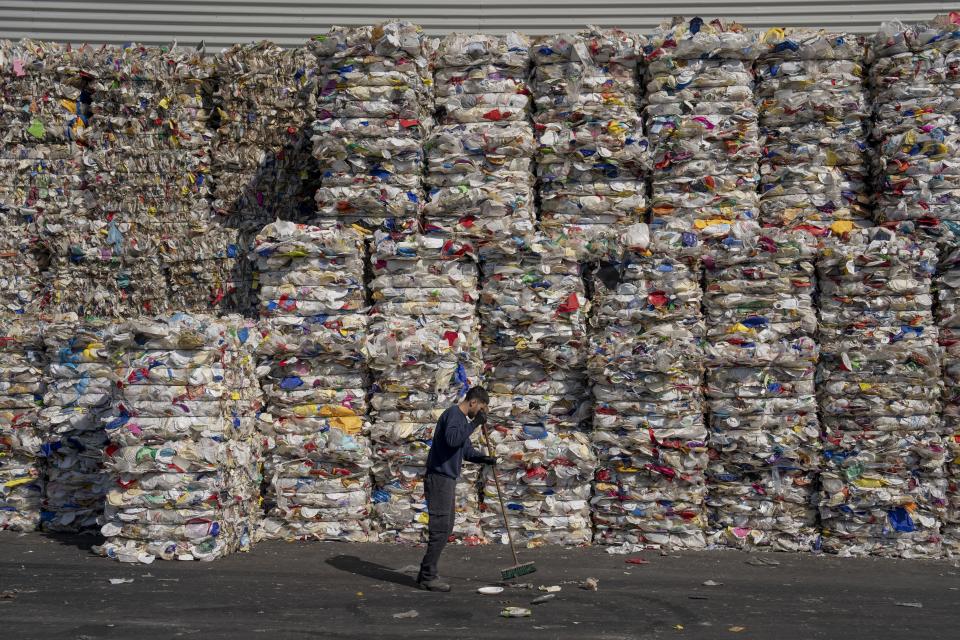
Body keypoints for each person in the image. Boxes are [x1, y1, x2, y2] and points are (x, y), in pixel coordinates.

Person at [416, 386, 495, 592]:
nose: (480, 414)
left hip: (447, 478)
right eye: (481, 409)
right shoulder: (454, 415)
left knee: (447, 527)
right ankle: (428, 576)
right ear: (473, 403)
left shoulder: (461, 420)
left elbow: (465, 449)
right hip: (439, 477)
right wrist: (476, 423)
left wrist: (483, 458)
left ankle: (426, 571)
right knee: (440, 529)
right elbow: (452, 440)